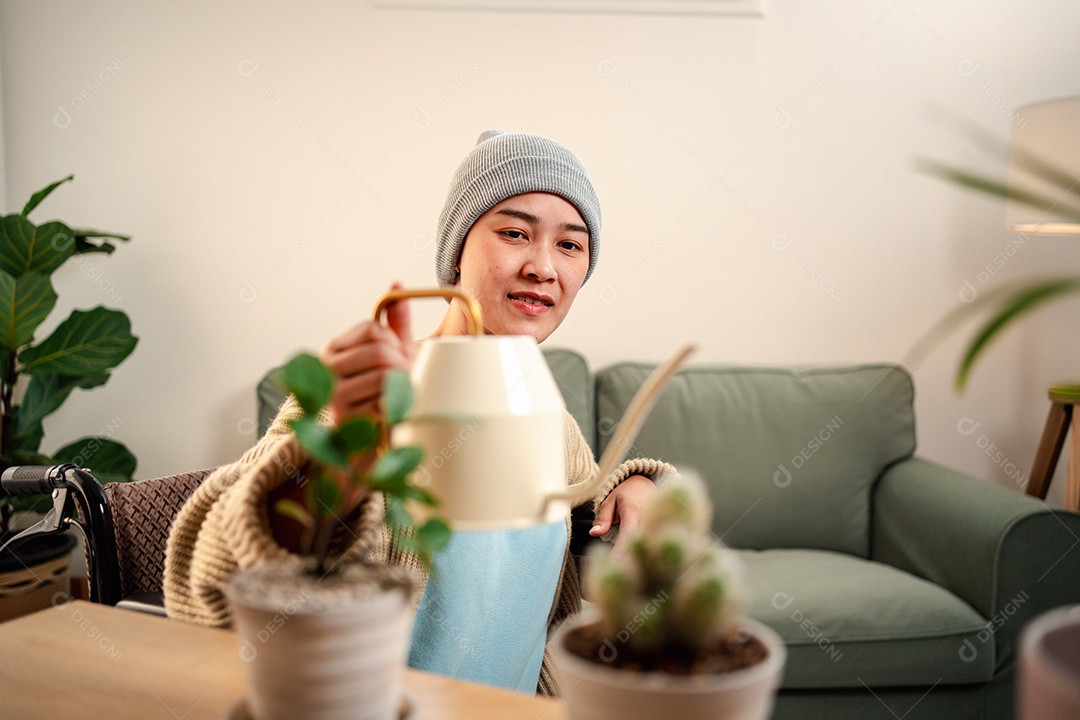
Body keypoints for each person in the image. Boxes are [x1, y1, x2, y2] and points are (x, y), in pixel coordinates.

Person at [164, 130, 677, 696]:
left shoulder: (542, 408)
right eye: (514, 233)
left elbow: (578, 502)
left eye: (571, 246)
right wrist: (340, 457)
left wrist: (640, 484)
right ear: (457, 253)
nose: (543, 267)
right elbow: (208, 572)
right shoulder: (375, 392)